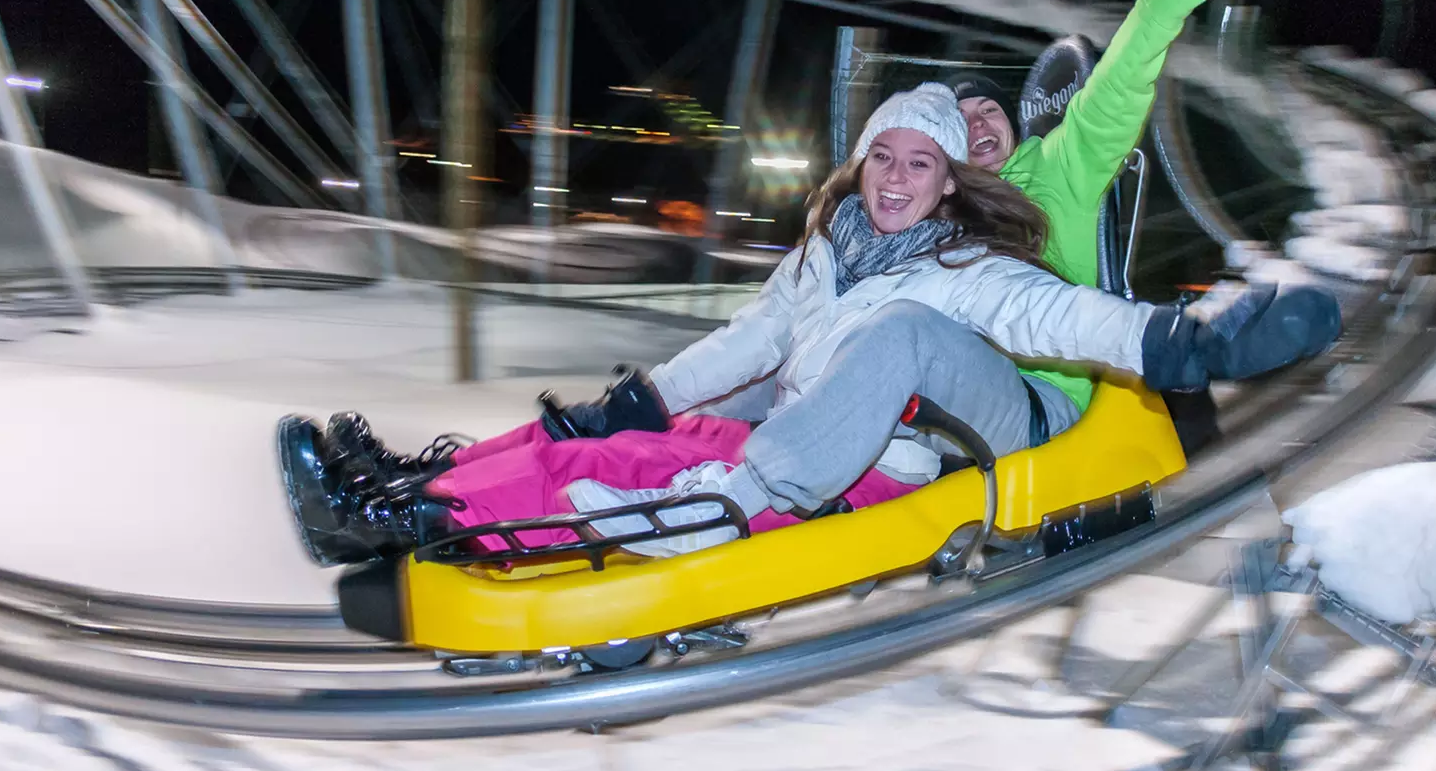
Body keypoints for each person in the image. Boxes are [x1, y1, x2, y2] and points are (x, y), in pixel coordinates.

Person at [280, 83, 1341, 566]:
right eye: (884, 156)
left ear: (948, 184)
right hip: (807, 435)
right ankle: (411, 495)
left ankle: (702, 510)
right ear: (861, 162)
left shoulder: (966, 267)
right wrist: (637, 398)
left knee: (897, 336)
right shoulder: (826, 248)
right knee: (607, 443)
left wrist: (1195, 344)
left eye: (920, 163)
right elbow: (750, 341)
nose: (896, 177)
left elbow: (1056, 313)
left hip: (891, 460)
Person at [951, 0, 1252, 428]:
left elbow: (1119, 78)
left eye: (987, 109)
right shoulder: (936, 206)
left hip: (1041, 398)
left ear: (1010, 121)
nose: (978, 123)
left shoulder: (1059, 163)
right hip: (956, 392)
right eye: (960, 121)